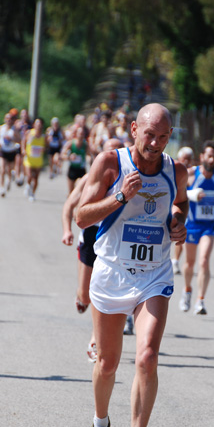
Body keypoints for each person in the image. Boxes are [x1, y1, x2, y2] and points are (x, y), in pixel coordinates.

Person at [76, 103, 188, 427]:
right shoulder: (110, 163)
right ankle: (100, 426)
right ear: (133, 129)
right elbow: (81, 216)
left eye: (162, 136)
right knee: (107, 364)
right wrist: (120, 197)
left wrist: (177, 222)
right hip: (111, 273)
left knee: (147, 358)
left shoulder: (176, 170)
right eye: (148, 134)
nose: (154, 143)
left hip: (154, 274)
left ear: (170, 135)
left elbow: (179, 203)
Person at [62, 138, 124, 363]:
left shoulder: (126, 179)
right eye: (110, 150)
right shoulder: (89, 179)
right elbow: (69, 206)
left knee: (105, 291)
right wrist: (66, 231)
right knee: (86, 295)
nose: (113, 155)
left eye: (118, 151)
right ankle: (80, 297)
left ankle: (94, 339)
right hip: (90, 237)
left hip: (114, 240)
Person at [179, 140, 214, 315]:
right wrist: (192, 195)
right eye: (209, 156)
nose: (212, 159)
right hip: (192, 224)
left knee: (204, 260)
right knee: (189, 263)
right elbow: (179, 194)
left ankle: (201, 300)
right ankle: (187, 290)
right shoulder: (191, 174)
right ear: (202, 157)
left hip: (209, 225)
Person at [171, 146, 195, 274]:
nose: (186, 161)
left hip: (193, 210)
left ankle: (182, 262)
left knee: (184, 234)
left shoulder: (194, 172)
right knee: (178, 230)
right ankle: (175, 260)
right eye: (184, 158)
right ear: (179, 158)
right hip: (178, 207)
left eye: (189, 159)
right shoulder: (173, 169)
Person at [0, 112, 21, 197]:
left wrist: (12, 139)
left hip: (11, 152)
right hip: (3, 151)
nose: (8, 120)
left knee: (9, 170)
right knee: (2, 169)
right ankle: (1, 188)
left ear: (13, 120)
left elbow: (19, 140)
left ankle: (8, 180)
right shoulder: (0, 128)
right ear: (5, 119)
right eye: (7, 119)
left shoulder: (14, 130)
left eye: (10, 119)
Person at [22, 118, 46, 201]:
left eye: (40, 125)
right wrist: (23, 149)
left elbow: (46, 146)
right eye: (37, 124)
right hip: (29, 158)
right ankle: (28, 186)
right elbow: (24, 141)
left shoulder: (43, 136)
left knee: (36, 178)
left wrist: (43, 149)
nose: (38, 126)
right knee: (29, 176)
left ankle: (32, 193)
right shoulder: (29, 133)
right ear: (34, 125)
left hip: (38, 160)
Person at [61, 126, 90, 194]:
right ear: (76, 134)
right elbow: (62, 154)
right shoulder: (71, 143)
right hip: (72, 169)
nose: (81, 135)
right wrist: (69, 156)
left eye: (83, 133)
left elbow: (89, 154)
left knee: (80, 189)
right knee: (71, 192)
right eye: (80, 133)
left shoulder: (85, 144)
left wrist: (88, 158)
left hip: (81, 169)